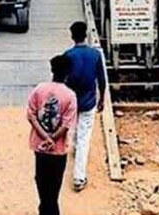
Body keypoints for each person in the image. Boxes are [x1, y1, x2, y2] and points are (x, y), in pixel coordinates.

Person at [26, 55, 77, 215]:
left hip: (39, 147)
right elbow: (66, 125)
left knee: (41, 182)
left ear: (52, 70)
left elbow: (31, 115)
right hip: (57, 149)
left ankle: (44, 210)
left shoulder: (39, 89)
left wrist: (44, 137)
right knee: (53, 189)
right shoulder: (70, 96)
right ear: (68, 73)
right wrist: (52, 139)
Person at [63, 21, 106, 191]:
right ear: (85, 35)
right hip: (89, 102)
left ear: (72, 36)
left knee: (72, 129)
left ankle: (72, 149)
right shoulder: (95, 55)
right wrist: (102, 99)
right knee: (84, 137)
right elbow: (101, 80)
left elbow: (62, 79)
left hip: (72, 102)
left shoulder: (67, 56)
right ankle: (79, 177)